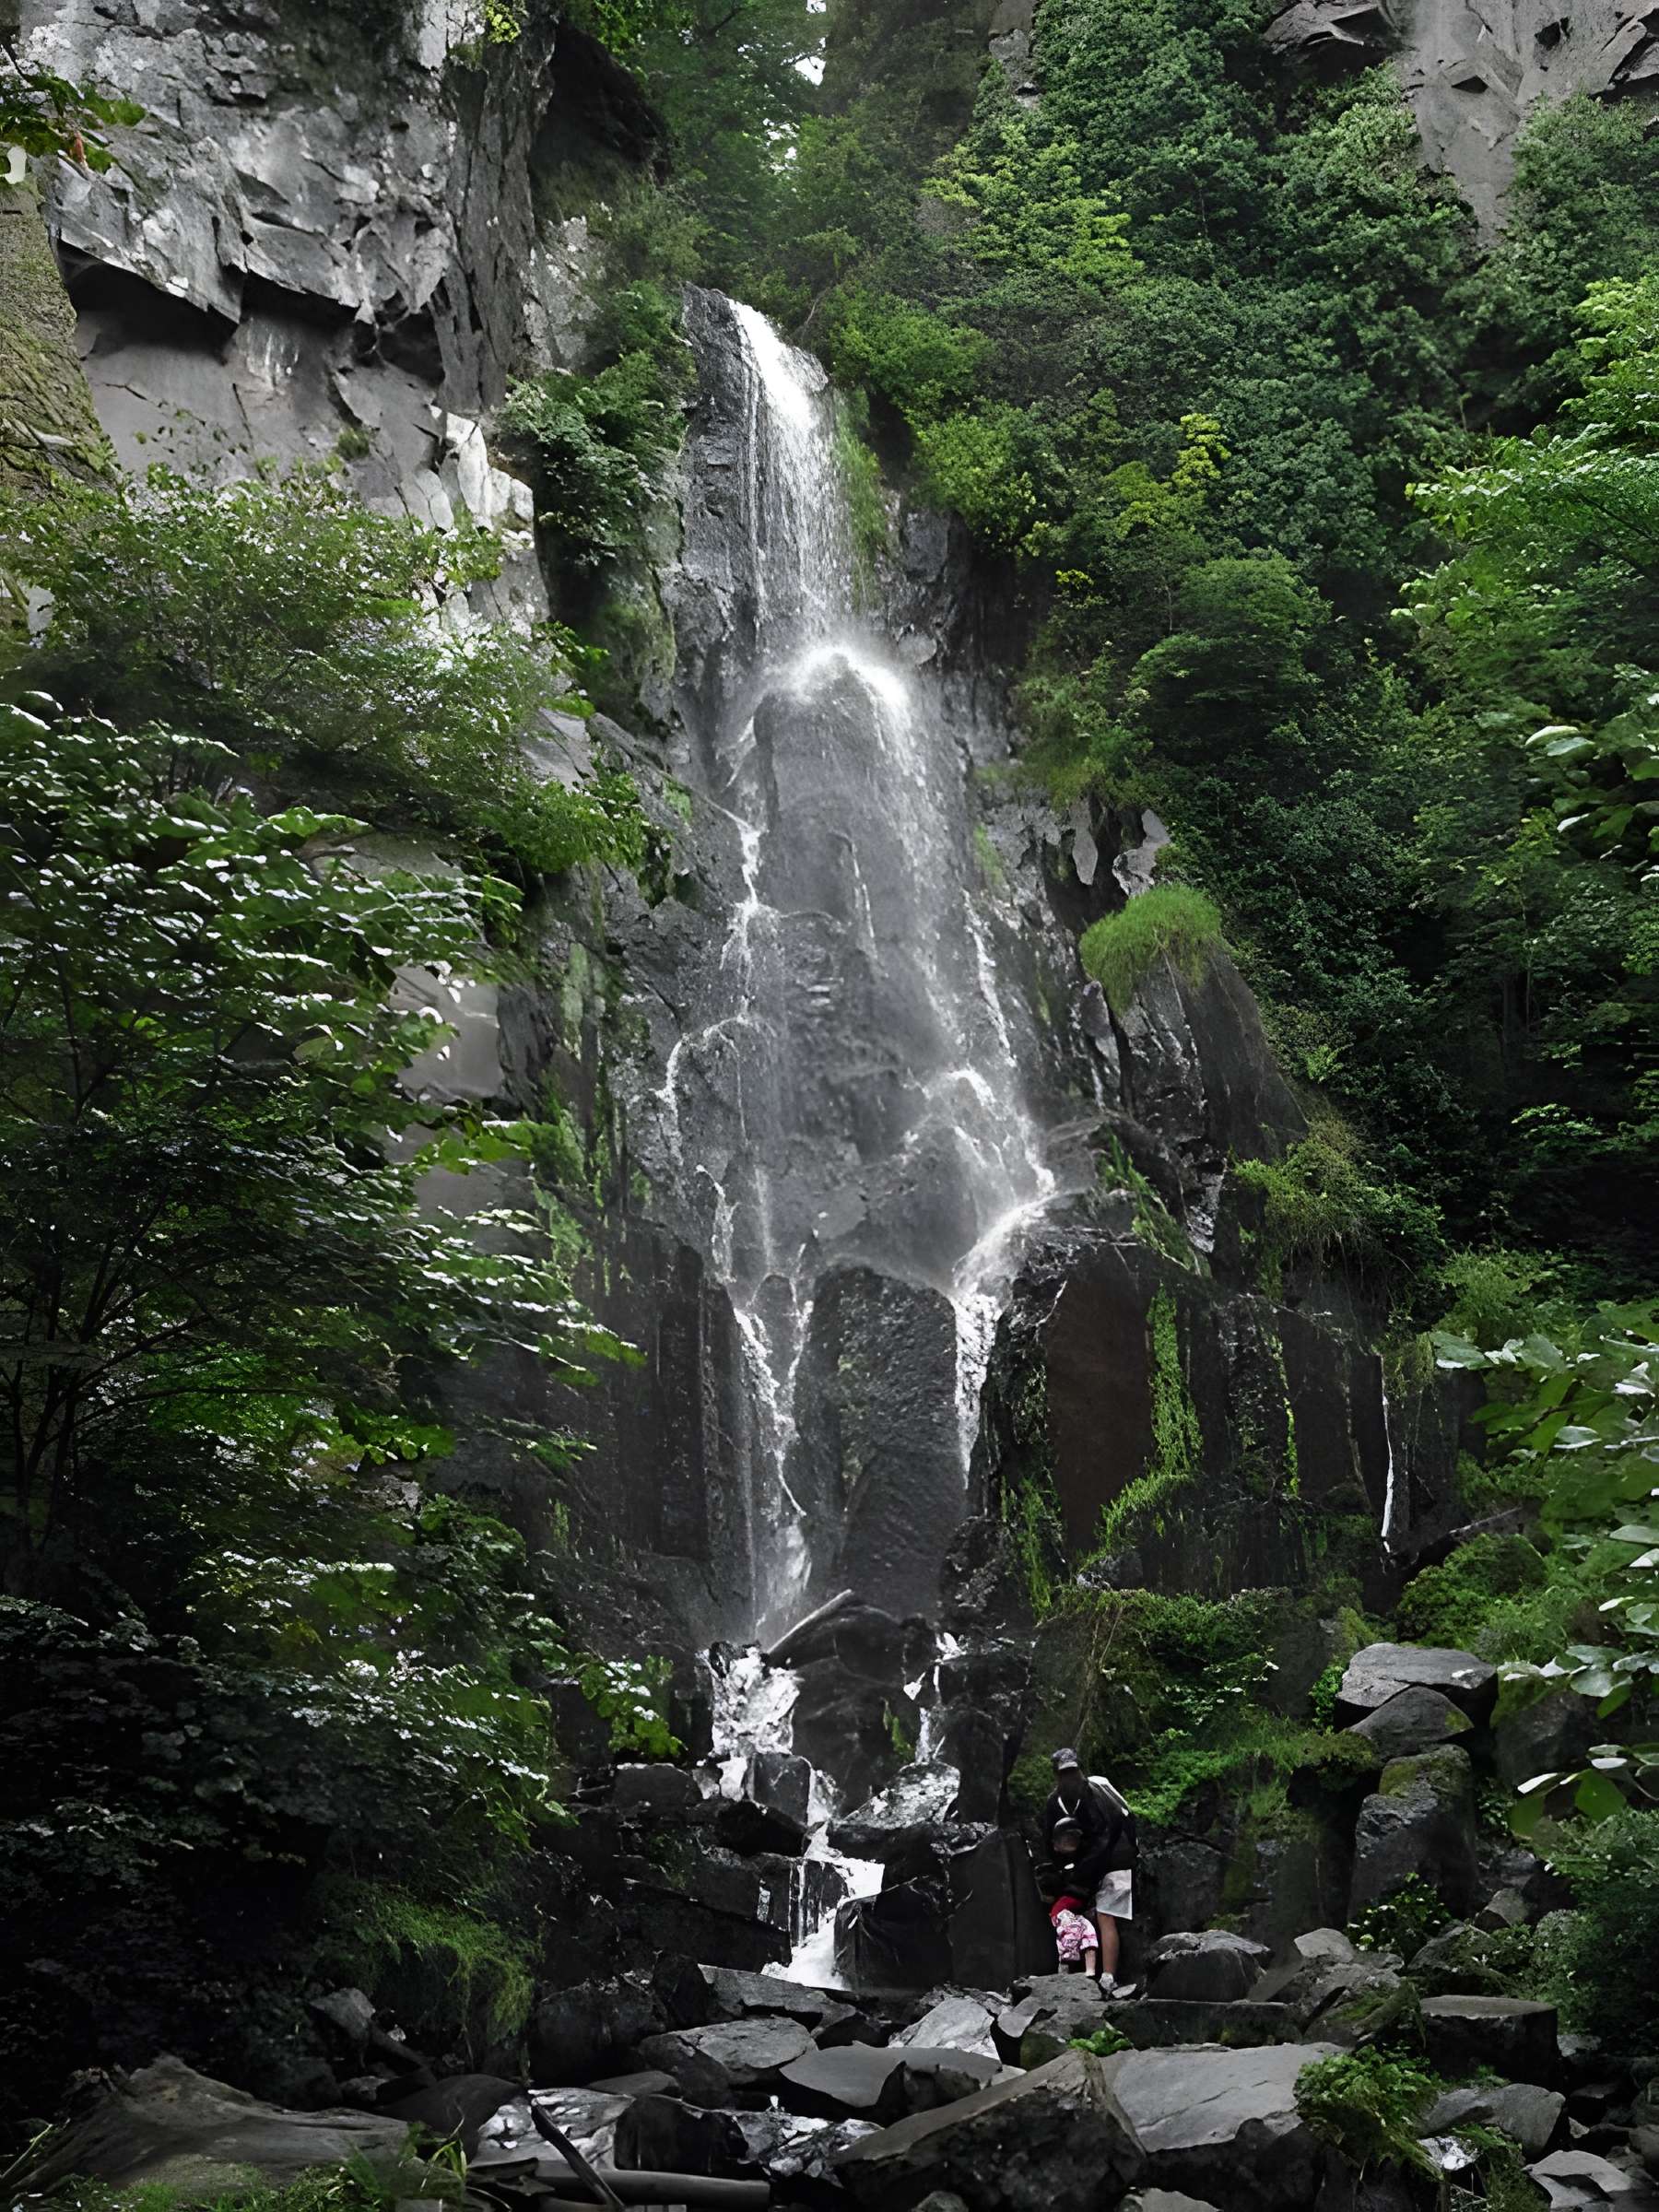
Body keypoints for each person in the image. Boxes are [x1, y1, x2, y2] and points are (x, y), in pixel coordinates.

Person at [1042, 1746, 1137, 1991]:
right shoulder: (1055, 1803)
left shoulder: (1095, 1796)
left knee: (1106, 1914)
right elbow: (1051, 1842)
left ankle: (1108, 1977)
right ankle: (1070, 1968)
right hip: (1089, 1863)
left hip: (1118, 1857)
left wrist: (1080, 1877)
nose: (1070, 1778)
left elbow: (1106, 1839)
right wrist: (1063, 1872)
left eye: (1073, 1772)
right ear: (1056, 1776)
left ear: (1080, 1771)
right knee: (1065, 1910)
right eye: (1064, 1773)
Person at [1042, 1813, 1102, 1978]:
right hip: (1062, 1911)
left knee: (1088, 1932)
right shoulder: (1061, 1865)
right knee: (1070, 1933)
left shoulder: (1085, 1857)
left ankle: (1090, 1971)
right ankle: (1065, 1971)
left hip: (1077, 1909)